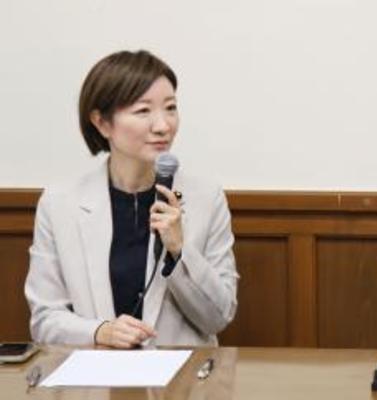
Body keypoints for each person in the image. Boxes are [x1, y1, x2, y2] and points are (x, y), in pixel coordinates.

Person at [25, 50, 239, 348]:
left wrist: (179, 250)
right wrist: (100, 332)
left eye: (171, 108)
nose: (163, 126)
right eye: (143, 111)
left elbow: (219, 317)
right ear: (102, 122)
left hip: (183, 374)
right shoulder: (60, 203)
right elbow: (44, 319)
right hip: (97, 373)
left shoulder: (205, 197)